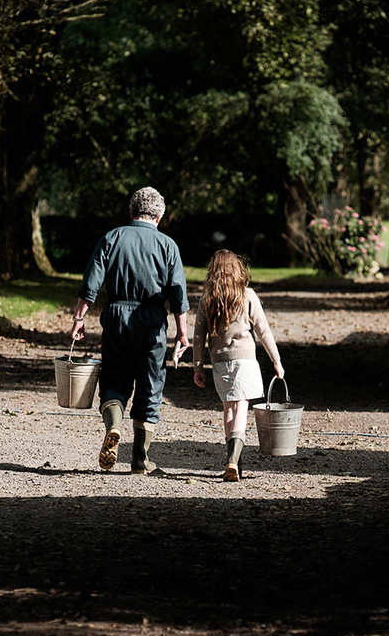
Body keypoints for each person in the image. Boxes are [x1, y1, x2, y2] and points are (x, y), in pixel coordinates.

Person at [71, 187, 190, 476]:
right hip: (151, 322)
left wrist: (78, 318)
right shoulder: (167, 245)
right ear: (159, 217)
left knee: (114, 381)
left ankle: (113, 426)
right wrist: (182, 334)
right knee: (151, 388)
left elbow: (91, 284)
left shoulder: (111, 238)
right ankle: (140, 460)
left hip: (116, 318)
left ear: (131, 212)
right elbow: (178, 295)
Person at [192, 249, 285, 482]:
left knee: (228, 409)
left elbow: (198, 337)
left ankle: (233, 461)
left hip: (220, 361)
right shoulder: (248, 295)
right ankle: (234, 460)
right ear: (238, 269)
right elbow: (263, 331)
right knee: (242, 406)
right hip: (245, 360)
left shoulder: (207, 299)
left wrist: (197, 367)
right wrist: (276, 360)